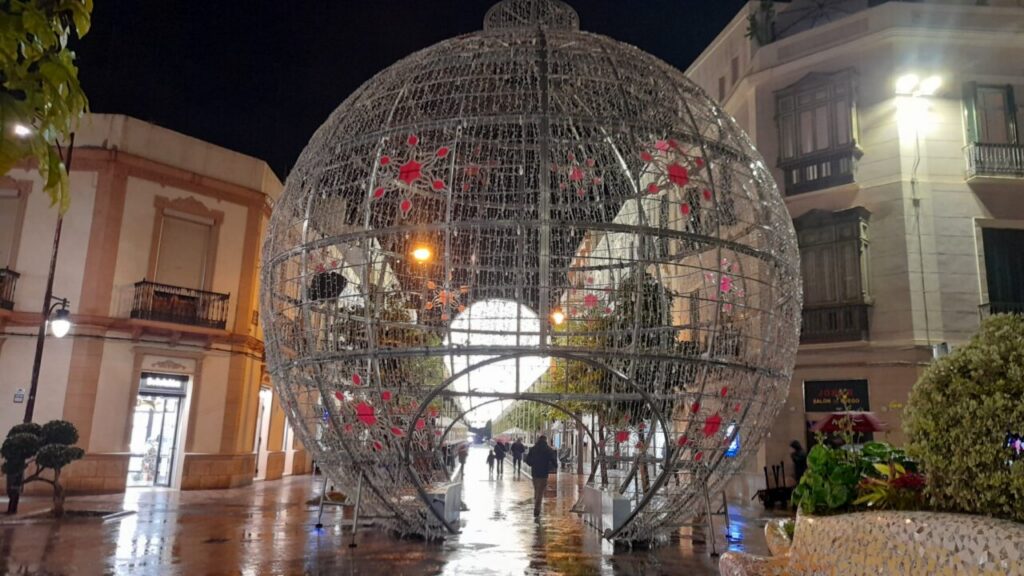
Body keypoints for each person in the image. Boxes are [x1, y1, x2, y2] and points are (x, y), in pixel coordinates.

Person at [524, 435, 559, 519]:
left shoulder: (533, 449)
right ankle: (537, 508)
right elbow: (554, 461)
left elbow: (527, 460)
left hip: (535, 473)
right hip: (544, 473)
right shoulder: (548, 449)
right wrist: (552, 467)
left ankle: (537, 505)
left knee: (537, 490)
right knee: (540, 491)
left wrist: (533, 464)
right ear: (545, 440)